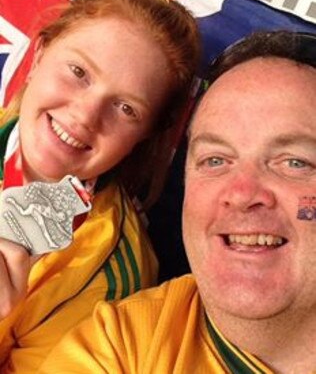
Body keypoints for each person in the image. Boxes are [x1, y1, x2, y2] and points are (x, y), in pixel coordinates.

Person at [40, 30, 316, 374]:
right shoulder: (122, 345)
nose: (242, 194)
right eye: (215, 160)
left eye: (295, 162)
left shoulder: (105, 264)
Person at [0, 0, 200, 372]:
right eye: (79, 71)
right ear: (40, 54)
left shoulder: (109, 279)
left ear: (145, 135)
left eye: (126, 108)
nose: (85, 116)